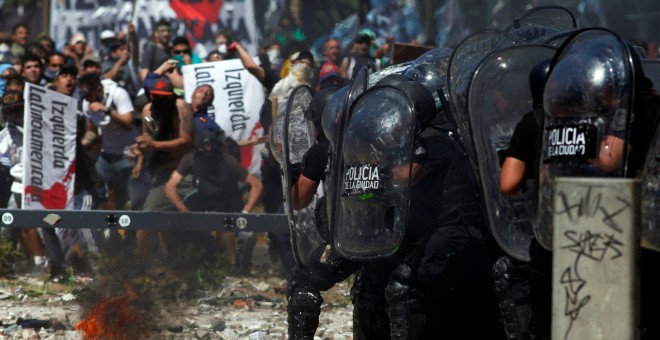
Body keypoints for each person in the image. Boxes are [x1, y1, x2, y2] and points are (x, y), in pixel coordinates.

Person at [135, 76, 193, 262]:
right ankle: (141, 263)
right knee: (148, 218)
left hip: (185, 172)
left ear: (171, 96)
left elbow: (186, 141)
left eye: (164, 97)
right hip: (161, 172)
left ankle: (187, 260)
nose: (161, 101)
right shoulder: (148, 111)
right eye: (156, 97)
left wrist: (154, 144)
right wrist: (139, 155)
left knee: (188, 221)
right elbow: (147, 138)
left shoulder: (181, 108)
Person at [79, 73, 140, 211]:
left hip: (128, 153)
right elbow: (92, 131)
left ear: (98, 90)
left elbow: (128, 124)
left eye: (88, 94)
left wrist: (107, 111)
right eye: (83, 94)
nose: (86, 98)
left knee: (133, 198)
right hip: (106, 154)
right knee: (96, 190)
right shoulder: (86, 103)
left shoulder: (118, 94)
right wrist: (81, 146)